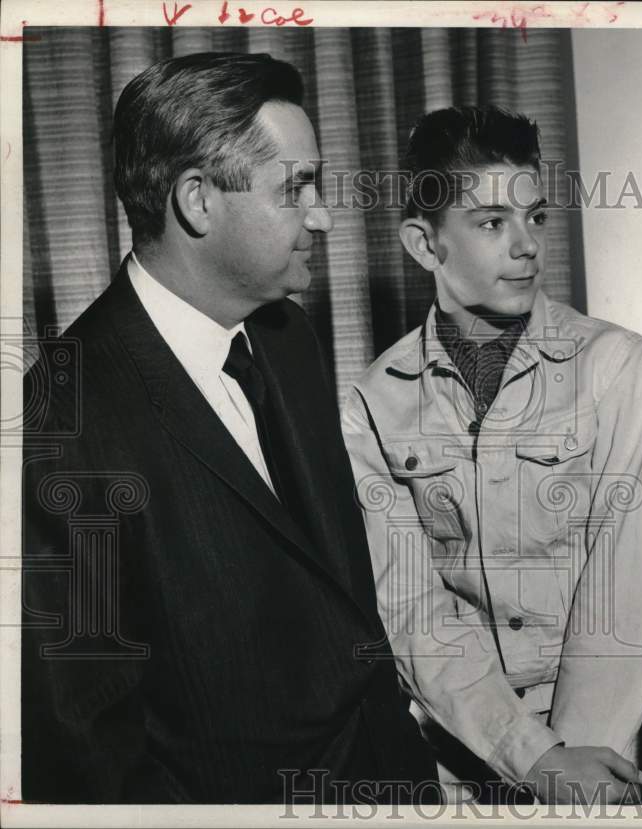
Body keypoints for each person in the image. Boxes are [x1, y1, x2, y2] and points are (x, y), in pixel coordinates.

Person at [21, 52, 437, 804]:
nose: (323, 213)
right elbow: (86, 743)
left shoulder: (288, 339)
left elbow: (344, 603)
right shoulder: (62, 410)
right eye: (295, 188)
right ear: (197, 201)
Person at [341, 105, 642, 804]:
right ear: (424, 243)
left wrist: (575, 775)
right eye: (492, 223)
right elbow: (410, 611)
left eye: (537, 217)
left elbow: (630, 585)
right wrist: (532, 758)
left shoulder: (616, 366)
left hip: (603, 761)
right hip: (453, 763)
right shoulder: (371, 404)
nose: (526, 245)